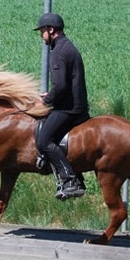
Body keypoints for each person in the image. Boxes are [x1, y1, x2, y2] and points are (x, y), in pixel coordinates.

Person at [33, 12, 90, 201]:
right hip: (78, 105)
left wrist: (45, 100)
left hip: (69, 108)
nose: (42, 36)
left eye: (42, 31)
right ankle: (76, 177)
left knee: (43, 141)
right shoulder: (68, 46)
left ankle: (70, 180)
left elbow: (61, 86)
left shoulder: (58, 52)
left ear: (51, 30)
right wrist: (50, 95)